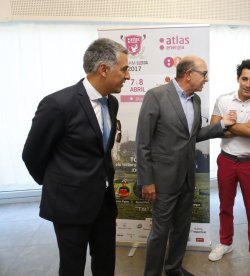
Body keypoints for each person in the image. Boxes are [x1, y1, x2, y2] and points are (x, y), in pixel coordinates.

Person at [22, 38, 130, 276]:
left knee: (105, 264)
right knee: (72, 267)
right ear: (104, 69)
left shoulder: (111, 103)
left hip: (103, 203)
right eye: (124, 69)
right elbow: (32, 154)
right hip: (69, 206)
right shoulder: (58, 104)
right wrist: (60, 184)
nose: (128, 76)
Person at [136, 55, 236, 276]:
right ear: (189, 74)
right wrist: (147, 180)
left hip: (187, 179)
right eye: (204, 74)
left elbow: (193, 136)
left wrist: (221, 126)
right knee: (160, 233)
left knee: (181, 229)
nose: (206, 79)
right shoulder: (156, 96)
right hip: (162, 181)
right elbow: (142, 142)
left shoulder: (196, 100)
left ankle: (173, 269)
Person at [208, 59, 250, 275]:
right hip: (226, 160)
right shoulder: (224, 100)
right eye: (244, 78)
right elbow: (214, 129)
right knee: (225, 206)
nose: (247, 84)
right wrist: (237, 126)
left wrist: (228, 124)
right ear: (238, 78)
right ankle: (225, 242)